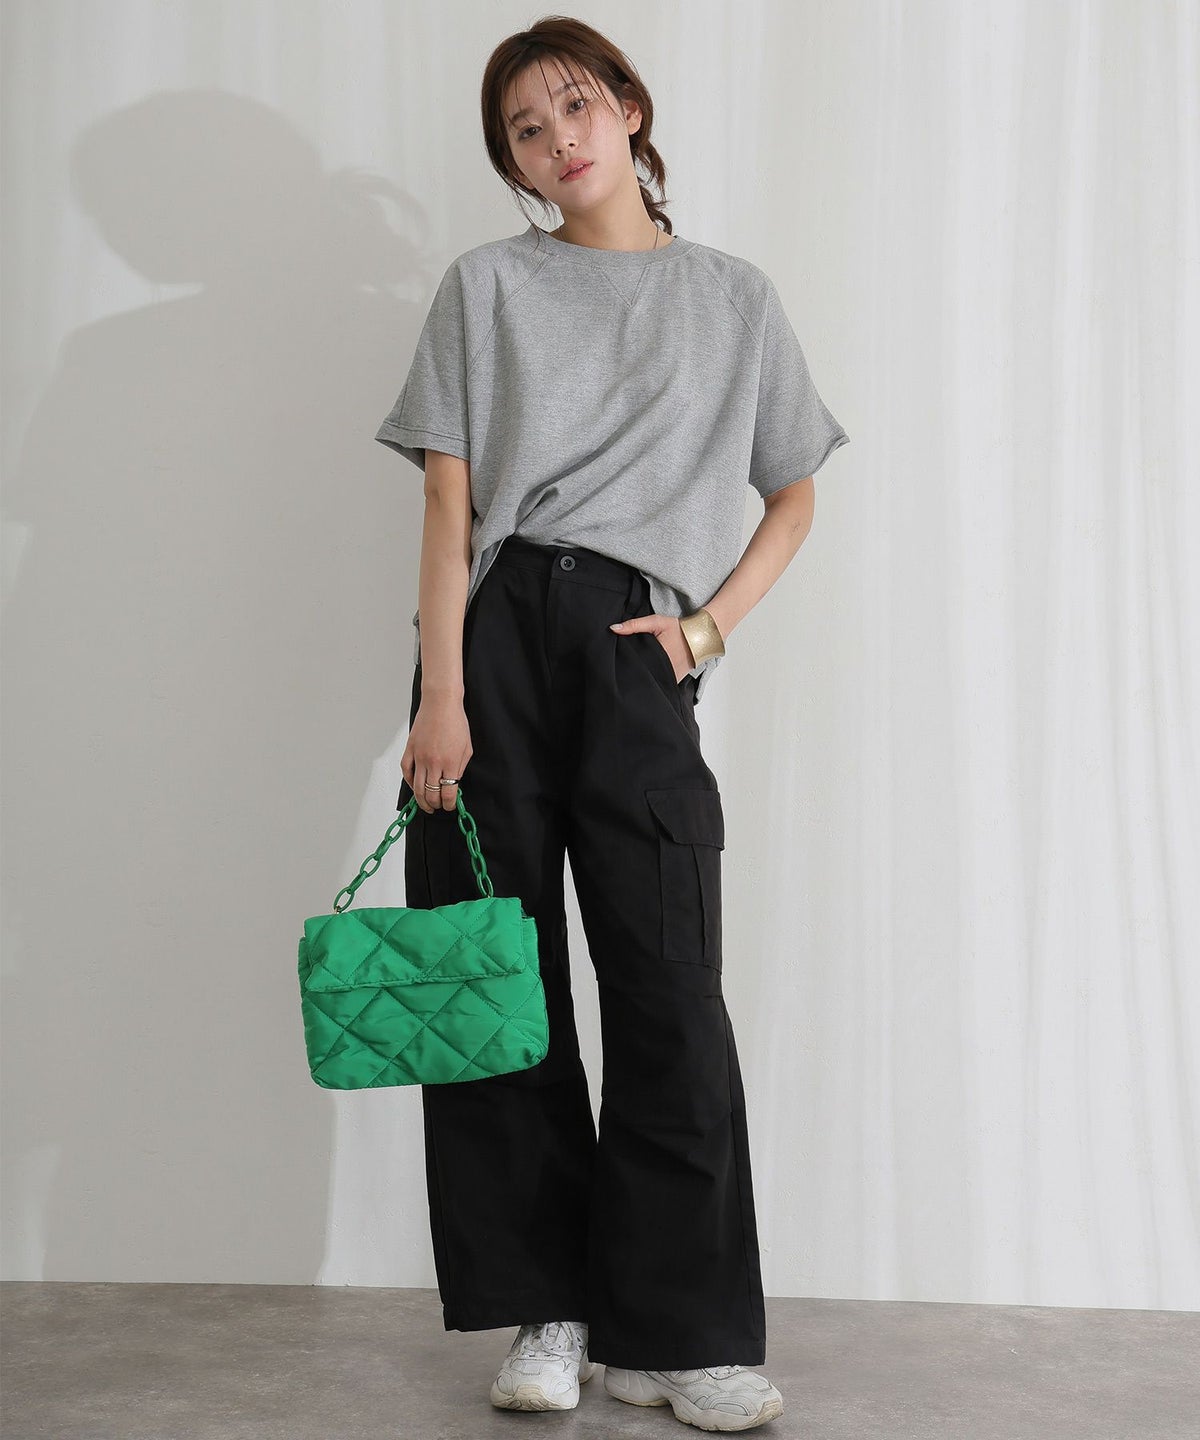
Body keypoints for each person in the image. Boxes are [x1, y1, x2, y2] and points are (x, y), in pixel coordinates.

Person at [375, 15, 848, 1432]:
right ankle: (552, 1310)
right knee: (494, 979)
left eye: (574, 106)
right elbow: (450, 500)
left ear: (629, 109)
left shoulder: (732, 298)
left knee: (668, 989)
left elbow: (794, 490)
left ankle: (682, 1334)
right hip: (492, 644)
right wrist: (442, 694)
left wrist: (707, 630)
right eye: (525, 130)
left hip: (640, 645)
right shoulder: (486, 287)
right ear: (514, 164)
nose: (558, 139)